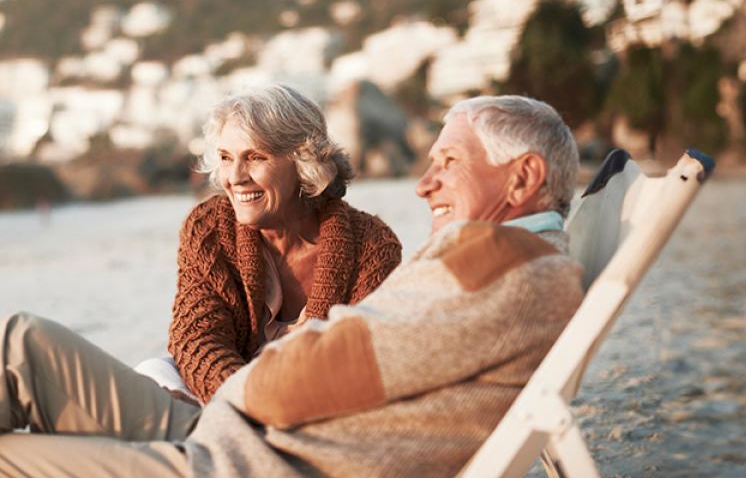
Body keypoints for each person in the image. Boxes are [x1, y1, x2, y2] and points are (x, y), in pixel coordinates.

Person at [0, 95, 585, 477]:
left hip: (246, 457)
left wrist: (231, 397)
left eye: (448, 162)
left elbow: (329, 367)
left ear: (523, 178)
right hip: (243, 432)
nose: (423, 185)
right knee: (18, 341)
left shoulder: (498, 265)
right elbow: (215, 342)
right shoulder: (520, 270)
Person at [138, 84, 402, 403]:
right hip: (231, 398)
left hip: (312, 405)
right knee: (151, 372)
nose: (235, 177)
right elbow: (197, 340)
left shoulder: (371, 244)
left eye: (255, 157)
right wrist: (248, 405)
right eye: (225, 157)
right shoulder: (209, 226)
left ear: (304, 162)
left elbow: (361, 360)